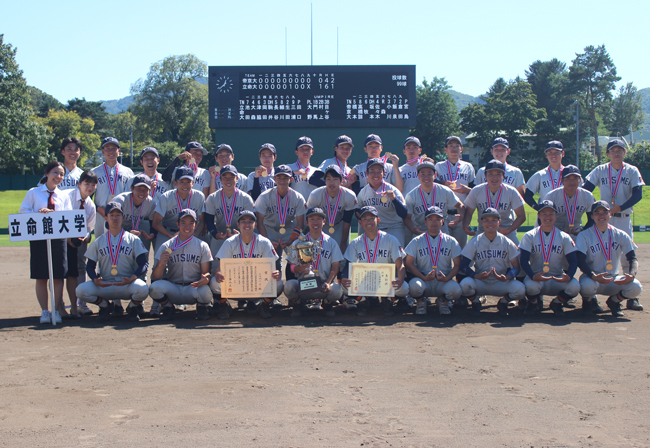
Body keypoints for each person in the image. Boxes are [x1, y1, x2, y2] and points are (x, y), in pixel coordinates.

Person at [583, 139, 645, 310]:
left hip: (623, 216)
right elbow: (585, 189)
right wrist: (596, 208)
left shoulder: (632, 170)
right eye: (613, 150)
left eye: (620, 150)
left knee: (627, 256)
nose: (616, 153)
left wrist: (621, 206)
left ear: (625, 153)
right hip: (603, 217)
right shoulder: (601, 169)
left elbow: (638, 194)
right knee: (595, 253)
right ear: (607, 154)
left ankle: (629, 296)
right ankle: (591, 296)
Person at [75, 202, 149, 323]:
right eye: (111, 215)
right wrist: (95, 280)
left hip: (127, 284)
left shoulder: (133, 239)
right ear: (106, 218)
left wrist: (131, 279)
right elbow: (90, 266)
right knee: (80, 291)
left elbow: (143, 263)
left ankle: (132, 308)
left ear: (122, 217)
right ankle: (104, 306)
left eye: (118, 215)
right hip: (105, 284)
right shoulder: (99, 241)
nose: (115, 218)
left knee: (143, 289)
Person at [20, 161, 73, 324]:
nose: (58, 177)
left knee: (58, 277)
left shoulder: (63, 195)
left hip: (58, 240)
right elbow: (23, 212)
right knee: (41, 277)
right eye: (55, 173)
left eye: (62, 174)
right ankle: (44, 311)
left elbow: (69, 216)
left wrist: (54, 213)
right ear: (47, 174)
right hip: (39, 239)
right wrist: (38, 213)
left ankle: (56, 310)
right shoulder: (34, 193)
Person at [210, 211, 283, 319]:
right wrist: (218, 273)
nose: (247, 224)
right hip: (235, 286)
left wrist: (276, 273)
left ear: (255, 225)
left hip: (257, 286)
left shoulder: (264, 242)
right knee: (214, 283)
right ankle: (225, 305)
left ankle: (264, 305)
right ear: (238, 225)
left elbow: (272, 267)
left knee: (278, 284)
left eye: (250, 221)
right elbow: (219, 268)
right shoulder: (230, 242)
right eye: (243, 221)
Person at [576, 201, 642, 317]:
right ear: (592, 216)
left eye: (604, 212)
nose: (601, 216)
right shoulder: (584, 235)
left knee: (636, 287)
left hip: (613, 278)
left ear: (610, 214)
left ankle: (614, 301)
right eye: (597, 213)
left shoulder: (621, 234)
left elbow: (632, 258)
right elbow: (580, 260)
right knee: (586, 285)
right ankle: (588, 301)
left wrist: (631, 275)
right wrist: (593, 275)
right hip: (593, 278)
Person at [341, 206, 408, 316]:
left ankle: (388, 300)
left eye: (372, 218)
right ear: (360, 222)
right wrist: (344, 277)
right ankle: (363, 300)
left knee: (404, 288)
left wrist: (400, 278)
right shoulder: (356, 242)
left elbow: (400, 264)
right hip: (365, 280)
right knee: (344, 287)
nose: (368, 222)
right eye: (365, 219)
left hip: (385, 279)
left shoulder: (390, 239)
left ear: (378, 220)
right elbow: (349, 264)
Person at [458, 208, 525, 317]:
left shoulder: (507, 242)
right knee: (464, 284)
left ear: (499, 222)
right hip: (481, 283)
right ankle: (475, 301)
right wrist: (476, 275)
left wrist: (507, 277)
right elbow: (463, 265)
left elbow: (516, 267)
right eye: (486, 220)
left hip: (501, 283)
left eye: (494, 220)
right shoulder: (475, 241)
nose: (490, 223)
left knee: (520, 289)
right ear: (481, 222)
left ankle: (503, 303)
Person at [518, 200, 580, 317]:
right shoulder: (530, 235)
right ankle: (533, 303)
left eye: (551, 213)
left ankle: (557, 303)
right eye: (544, 213)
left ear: (556, 216)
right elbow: (524, 260)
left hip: (556, 278)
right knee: (530, 286)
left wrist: (569, 276)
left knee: (574, 286)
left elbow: (573, 261)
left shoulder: (564, 237)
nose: (548, 216)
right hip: (537, 278)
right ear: (539, 215)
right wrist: (532, 275)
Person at [149, 209, 213, 321]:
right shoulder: (167, 246)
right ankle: (168, 306)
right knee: (154, 288)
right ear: (177, 224)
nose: (187, 226)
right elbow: (156, 277)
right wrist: (161, 264)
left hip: (193, 287)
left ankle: (201, 306)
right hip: (173, 288)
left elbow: (206, 272)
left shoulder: (202, 246)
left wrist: (205, 279)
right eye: (183, 223)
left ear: (195, 225)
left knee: (206, 292)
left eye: (191, 223)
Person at [284, 208, 344, 317]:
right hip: (302, 286)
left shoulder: (331, 242)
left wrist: (329, 282)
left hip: (323, 286)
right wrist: (299, 269)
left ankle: (327, 304)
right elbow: (291, 266)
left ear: (324, 221)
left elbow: (335, 266)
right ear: (306, 222)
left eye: (319, 219)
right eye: (312, 219)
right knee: (288, 286)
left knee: (337, 290)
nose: (315, 222)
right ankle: (297, 304)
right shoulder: (299, 242)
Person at [404, 206, 462, 316]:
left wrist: (448, 278)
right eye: (430, 219)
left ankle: (443, 301)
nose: (434, 222)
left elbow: (457, 264)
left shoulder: (451, 241)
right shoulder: (417, 240)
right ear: (425, 222)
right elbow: (409, 263)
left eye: (437, 219)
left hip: (443, 280)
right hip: (424, 279)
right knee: (412, 287)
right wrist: (423, 277)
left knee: (456, 291)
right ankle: (421, 301)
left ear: (442, 222)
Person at [255, 164, 306, 271]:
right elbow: (259, 222)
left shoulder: (298, 197)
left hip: (289, 230)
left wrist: (291, 240)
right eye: (279, 177)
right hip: (269, 230)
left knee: (298, 257)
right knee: (269, 263)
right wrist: (267, 241)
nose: (282, 180)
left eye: (286, 178)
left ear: (291, 179)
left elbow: (300, 224)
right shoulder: (265, 196)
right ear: (274, 179)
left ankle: (300, 279)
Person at [463, 159, 526, 244]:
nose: (494, 178)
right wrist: (466, 225)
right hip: (483, 230)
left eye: (498, 174)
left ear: (503, 176)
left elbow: (521, 216)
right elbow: (469, 212)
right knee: (468, 253)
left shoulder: (511, 191)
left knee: (517, 254)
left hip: (505, 229)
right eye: (490, 174)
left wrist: (508, 230)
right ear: (485, 175)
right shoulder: (476, 190)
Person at [204, 165, 255, 268]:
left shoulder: (246, 198)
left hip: (241, 236)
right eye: (225, 177)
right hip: (220, 235)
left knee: (242, 266)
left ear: (237, 179)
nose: (228, 180)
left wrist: (241, 233)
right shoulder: (212, 198)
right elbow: (209, 220)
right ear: (220, 180)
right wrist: (215, 234)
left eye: (231, 177)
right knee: (215, 268)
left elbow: (251, 221)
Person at [64, 170, 97, 318]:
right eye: (86, 184)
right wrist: (69, 237)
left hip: (78, 241)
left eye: (92, 185)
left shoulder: (90, 205)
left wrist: (86, 236)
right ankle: (58, 304)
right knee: (61, 270)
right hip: (62, 238)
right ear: (79, 184)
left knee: (80, 267)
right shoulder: (68, 196)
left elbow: (89, 228)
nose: (89, 187)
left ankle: (81, 304)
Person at [404, 159, 464, 241]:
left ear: (435, 175)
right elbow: (407, 217)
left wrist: (461, 216)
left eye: (429, 174)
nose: (426, 177)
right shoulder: (411, 195)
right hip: (421, 231)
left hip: (442, 231)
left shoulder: (444, 190)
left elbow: (460, 205)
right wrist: (412, 229)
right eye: (423, 174)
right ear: (418, 176)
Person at [152, 166, 206, 253]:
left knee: (200, 257)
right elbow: (156, 223)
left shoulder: (199, 196)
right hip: (169, 232)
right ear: (175, 183)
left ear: (193, 183)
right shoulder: (166, 197)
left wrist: (196, 234)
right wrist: (171, 236)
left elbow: (202, 221)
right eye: (181, 182)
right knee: (158, 262)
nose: (185, 185)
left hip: (191, 232)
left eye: (188, 182)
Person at [434, 136, 476, 248]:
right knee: (443, 248)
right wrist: (441, 182)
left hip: (461, 213)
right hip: (443, 213)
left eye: (457, 146)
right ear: (445, 149)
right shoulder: (438, 166)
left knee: (461, 247)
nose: (454, 149)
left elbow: (475, 190)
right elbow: (432, 186)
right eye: (450, 146)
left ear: (461, 148)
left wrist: (468, 190)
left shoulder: (468, 167)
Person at [356, 158, 409, 247]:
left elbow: (404, 213)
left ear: (384, 173)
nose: (376, 174)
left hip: (393, 227)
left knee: (397, 256)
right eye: (372, 171)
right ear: (367, 174)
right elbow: (357, 212)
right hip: (373, 228)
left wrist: (394, 200)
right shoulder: (363, 192)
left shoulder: (393, 190)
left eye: (379, 171)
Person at [306, 165, 357, 253]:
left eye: (335, 179)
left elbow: (347, 220)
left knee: (341, 256)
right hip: (321, 227)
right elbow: (310, 219)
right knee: (319, 254)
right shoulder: (315, 195)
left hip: (340, 226)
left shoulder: (349, 195)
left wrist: (343, 242)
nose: (331, 182)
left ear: (341, 180)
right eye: (328, 179)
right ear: (324, 180)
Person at [91, 137, 134, 238]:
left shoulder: (128, 172)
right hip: (101, 215)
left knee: (120, 245)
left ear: (119, 151)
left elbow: (130, 197)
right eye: (107, 148)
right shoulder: (94, 172)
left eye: (114, 148)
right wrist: (98, 209)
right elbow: (87, 197)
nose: (111, 151)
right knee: (101, 246)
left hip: (120, 216)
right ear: (103, 151)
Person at [542, 165, 594, 239]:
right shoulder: (551, 196)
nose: (572, 181)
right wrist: (552, 231)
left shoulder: (587, 196)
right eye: (568, 178)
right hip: (554, 234)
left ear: (580, 180)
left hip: (577, 234)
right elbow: (542, 219)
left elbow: (592, 219)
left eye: (575, 178)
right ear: (562, 181)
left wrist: (583, 232)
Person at [112, 174, 157, 252]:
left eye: (145, 190)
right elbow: (109, 224)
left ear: (149, 191)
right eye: (139, 189)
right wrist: (127, 233)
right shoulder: (120, 201)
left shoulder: (151, 203)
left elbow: (152, 222)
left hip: (137, 231)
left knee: (145, 224)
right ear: (132, 188)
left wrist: (152, 234)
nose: (142, 193)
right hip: (116, 231)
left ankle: (144, 260)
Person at [523, 140, 565, 211]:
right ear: (546, 155)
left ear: (563, 153)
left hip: (565, 216)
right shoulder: (540, 175)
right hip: (546, 217)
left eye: (557, 152)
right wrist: (537, 208)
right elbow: (527, 195)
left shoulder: (569, 175)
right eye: (550, 153)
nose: (553, 156)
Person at [288, 136, 318, 201]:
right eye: (302, 149)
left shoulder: (317, 171)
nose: (305, 152)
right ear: (296, 152)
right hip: (295, 206)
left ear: (312, 152)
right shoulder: (289, 168)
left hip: (311, 207)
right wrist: (293, 172)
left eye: (308, 149)